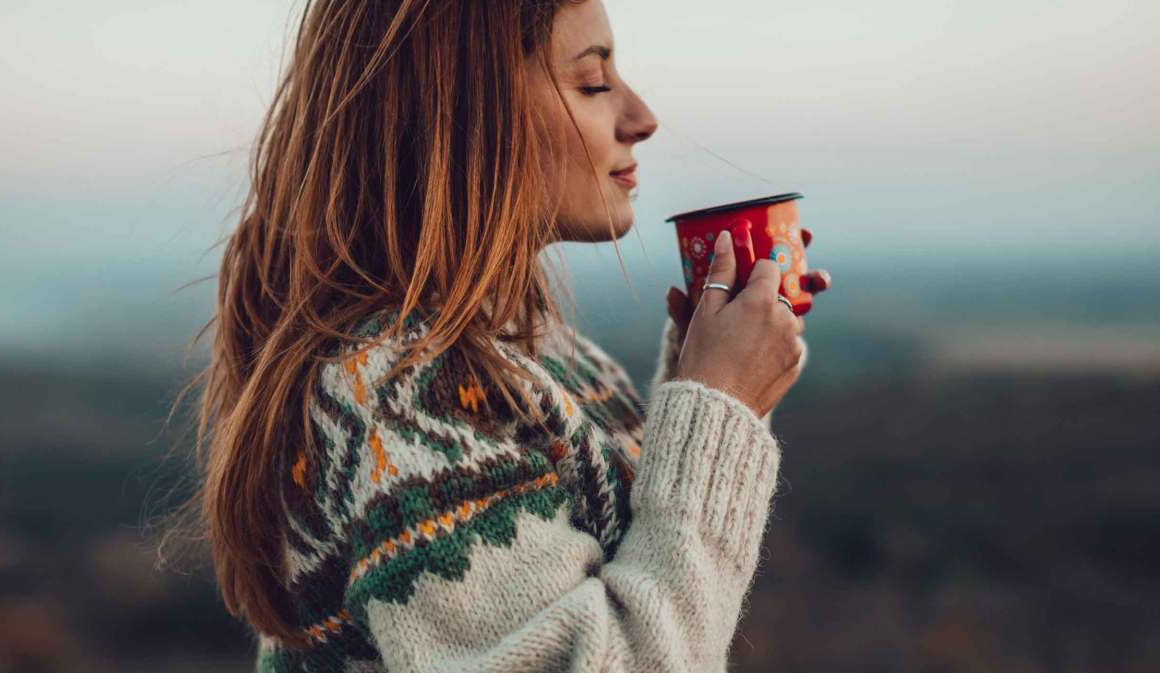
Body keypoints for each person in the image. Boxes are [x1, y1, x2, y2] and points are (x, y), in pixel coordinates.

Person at [175, 1, 831, 671]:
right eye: (592, 82)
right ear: (462, 116)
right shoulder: (394, 395)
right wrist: (719, 408)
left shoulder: (546, 355)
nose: (641, 118)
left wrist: (705, 378)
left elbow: (634, 577)